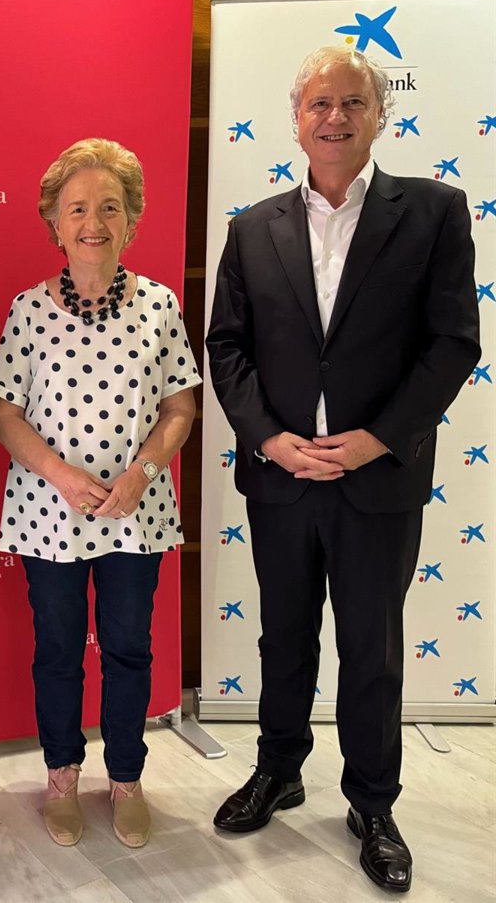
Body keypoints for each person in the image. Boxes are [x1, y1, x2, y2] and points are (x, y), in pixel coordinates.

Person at [206, 46, 480, 893]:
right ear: (296, 119)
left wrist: (379, 438)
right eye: (318, 103)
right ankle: (278, 768)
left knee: (371, 646)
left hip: (377, 477)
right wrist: (268, 439)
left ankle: (373, 802)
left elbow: (453, 343)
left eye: (351, 102)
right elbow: (227, 347)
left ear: (378, 114)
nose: (334, 117)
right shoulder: (252, 227)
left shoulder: (433, 212)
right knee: (283, 635)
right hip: (281, 478)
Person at [0, 138, 199, 848]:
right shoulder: (27, 310)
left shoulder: (160, 305)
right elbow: (4, 412)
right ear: (55, 222)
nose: (93, 222)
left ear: (131, 219)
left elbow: (180, 407)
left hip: (137, 513)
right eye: (77, 209)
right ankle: (62, 776)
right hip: (49, 513)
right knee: (57, 651)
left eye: (110, 207)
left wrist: (142, 472)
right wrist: (61, 474)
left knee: (129, 648)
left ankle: (127, 777)